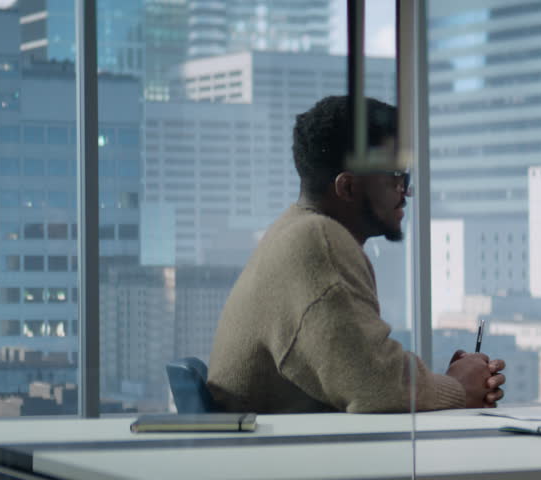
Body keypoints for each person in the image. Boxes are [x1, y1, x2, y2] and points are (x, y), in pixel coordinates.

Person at [208, 96, 506, 413]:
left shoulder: (294, 231)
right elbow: (377, 387)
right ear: (348, 188)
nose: (406, 190)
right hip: (275, 459)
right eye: (395, 175)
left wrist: (449, 384)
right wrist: (460, 388)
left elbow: (367, 371)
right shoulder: (316, 242)